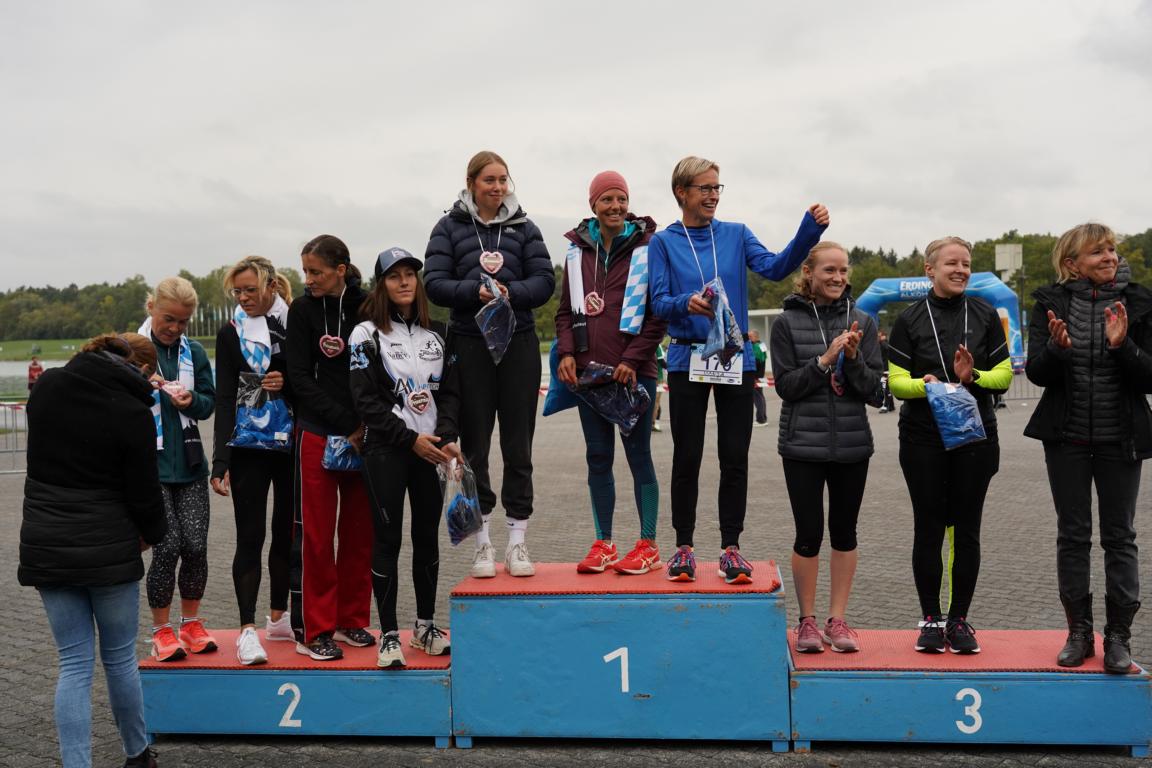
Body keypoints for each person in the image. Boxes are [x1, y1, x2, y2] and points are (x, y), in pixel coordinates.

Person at [648, 155, 828, 583]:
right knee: (687, 455)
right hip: (687, 358)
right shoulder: (663, 242)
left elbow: (775, 268)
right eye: (705, 188)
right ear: (681, 192)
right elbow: (658, 301)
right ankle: (683, 548)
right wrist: (685, 303)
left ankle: (731, 549)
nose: (713, 195)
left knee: (735, 456)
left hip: (733, 358)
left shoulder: (736, 233)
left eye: (717, 187)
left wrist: (809, 231)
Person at [20, 333, 166, 768]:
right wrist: (153, 533)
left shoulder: (47, 386)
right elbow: (144, 493)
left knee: (73, 664)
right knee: (119, 660)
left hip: (47, 542)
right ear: (140, 369)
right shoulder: (132, 412)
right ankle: (137, 754)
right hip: (109, 547)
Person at [1024, 223, 1149, 673]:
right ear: (1072, 263)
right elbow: (1036, 372)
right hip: (1067, 439)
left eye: (1112, 250)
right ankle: (1079, 632)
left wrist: (1123, 346)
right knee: (1073, 536)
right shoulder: (1049, 303)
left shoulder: (1140, 302)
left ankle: (1118, 637)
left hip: (1121, 439)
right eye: (1098, 252)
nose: (1109, 257)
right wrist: (1058, 351)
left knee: (1120, 537)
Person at [424, 150, 555, 577]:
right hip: (470, 344)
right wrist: (473, 291)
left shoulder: (525, 228)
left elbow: (545, 281)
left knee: (519, 447)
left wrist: (510, 292)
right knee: (474, 447)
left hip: (518, 343)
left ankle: (517, 542)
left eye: (503, 180)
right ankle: (482, 544)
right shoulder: (449, 227)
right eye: (489, 180)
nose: (498, 187)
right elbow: (434, 282)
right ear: (471, 184)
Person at [887, 237, 1012, 654]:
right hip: (923, 438)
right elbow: (897, 383)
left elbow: (1004, 377)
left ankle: (959, 620)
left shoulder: (985, 314)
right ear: (930, 270)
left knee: (966, 530)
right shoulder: (908, 319)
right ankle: (930, 618)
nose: (960, 270)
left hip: (974, 437)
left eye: (966, 264)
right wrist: (927, 385)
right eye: (951, 263)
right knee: (928, 528)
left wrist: (972, 378)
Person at [349, 247, 462, 668]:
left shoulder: (440, 333)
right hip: (386, 450)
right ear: (381, 284)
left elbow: (451, 393)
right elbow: (365, 401)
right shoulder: (365, 334)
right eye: (394, 275)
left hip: (430, 450)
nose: (404, 282)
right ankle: (389, 636)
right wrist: (409, 439)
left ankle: (426, 627)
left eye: (410, 274)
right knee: (388, 539)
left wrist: (445, 437)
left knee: (427, 537)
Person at [770, 242, 883, 653]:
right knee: (808, 535)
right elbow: (786, 387)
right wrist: (824, 360)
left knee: (845, 533)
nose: (838, 278)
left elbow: (875, 392)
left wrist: (852, 360)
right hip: (802, 446)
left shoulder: (863, 321)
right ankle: (807, 621)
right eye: (829, 270)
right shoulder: (785, 323)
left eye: (843, 270)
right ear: (809, 272)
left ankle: (838, 620)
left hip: (852, 446)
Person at [555, 171, 667, 575]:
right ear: (593, 205)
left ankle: (648, 544)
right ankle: (604, 542)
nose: (615, 206)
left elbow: (658, 314)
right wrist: (566, 352)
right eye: (607, 199)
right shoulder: (576, 252)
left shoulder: (649, 247)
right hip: (590, 375)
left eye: (621, 199)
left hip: (634, 373)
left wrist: (632, 359)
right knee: (598, 457)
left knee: (639, 456)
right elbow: (565, 313)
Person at [286, 234, 374, 661]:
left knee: (359, 533)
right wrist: (347, 423)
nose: (308, 279)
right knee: (316, 537)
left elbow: (380, 370)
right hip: (318, 432)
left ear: (340, 270)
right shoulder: (302, 311)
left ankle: (351, 619)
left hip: (364, 436)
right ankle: (312, 630)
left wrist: (367, 423)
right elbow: (299, 378)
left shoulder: (368, 307)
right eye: (305, 271)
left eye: (315, 272)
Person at [211, 256, 295, 665]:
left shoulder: (295, 323)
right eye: (238, 291)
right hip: (248, 447)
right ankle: (247, 629)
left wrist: (287, 383)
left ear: (272, 287)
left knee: (286, 534)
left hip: (292, 443)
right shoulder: (230, 333)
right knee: (250, 536)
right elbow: (225, 396)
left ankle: (279, 617)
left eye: (251, 290)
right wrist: (220, 459)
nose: (243, 298)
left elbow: (315, 381)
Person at [139, 277, 217, 662]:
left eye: (183, 321)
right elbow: (113, 398)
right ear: (151, 307)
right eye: (168, 318)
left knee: (196, 547)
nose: (175, 328)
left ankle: (191, 624)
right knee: (167, 548)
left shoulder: (195, 352)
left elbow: (209, 403)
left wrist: (191, 400)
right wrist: (142, 383)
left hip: (190, 464)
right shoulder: (133, 348)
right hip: (149, 467)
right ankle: (161, 631)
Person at [749, 329, 769, 426]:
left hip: (755, 376)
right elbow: (764, 359)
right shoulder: (762, 345)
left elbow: (756, 362)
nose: (749, 339)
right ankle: (763, 418)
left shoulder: (755, 347)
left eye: (750, 336)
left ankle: (760, 420)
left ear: (755, 337)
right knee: (761, 396)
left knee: (757, 398)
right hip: (761, 375)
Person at [877, 330, 896, 413]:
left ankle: (885, 406)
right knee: (886, 387)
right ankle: (891, 405)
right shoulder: (886, 344)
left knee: (884, 387)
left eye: (879, 336)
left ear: (884, 336)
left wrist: (882, 341)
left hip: (885, 369)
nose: (878, 338)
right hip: (886, 368)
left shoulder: (884, 344)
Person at [652, 341, 666, 433]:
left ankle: (654, 423)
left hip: (648, 375)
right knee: (656, 402)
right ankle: (654, 424)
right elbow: (661, 362)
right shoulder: (657, 345)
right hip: (658, 377)